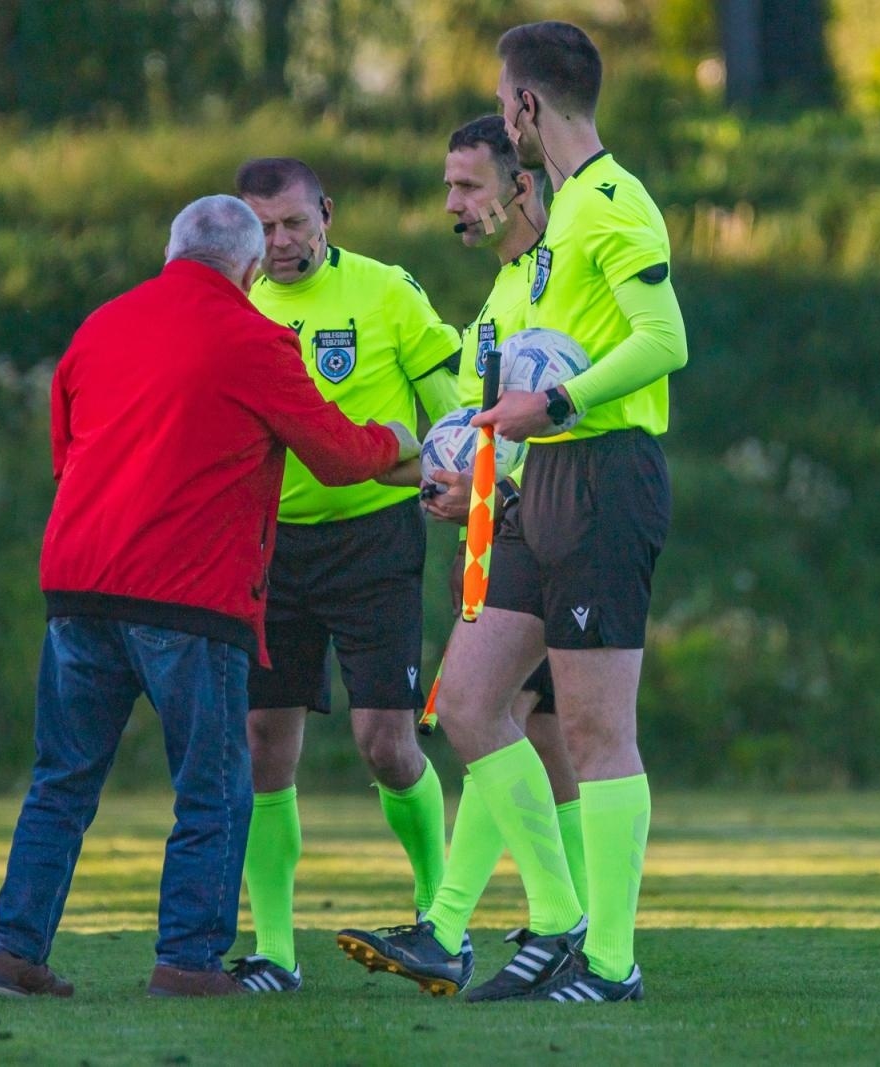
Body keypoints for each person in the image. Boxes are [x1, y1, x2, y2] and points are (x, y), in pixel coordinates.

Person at [0, 194, 416, 1000]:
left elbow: (66, 452)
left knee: (62, 779)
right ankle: (188, 960)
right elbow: (338, 455)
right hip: (189, 597)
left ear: (172, 252)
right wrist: (400, 440)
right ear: (248, 269)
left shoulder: (99, 326)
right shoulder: (254, 338)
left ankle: (9, 950)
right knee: (213, 784)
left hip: (77, 583)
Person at [332, 21, 688, 1005]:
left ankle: (609, 961)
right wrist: (471, 470)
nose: (499, 114)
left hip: (607, 475)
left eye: (501, 100)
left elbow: (666, 341)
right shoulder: (556, 225)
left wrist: (555, 405)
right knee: (470, 702)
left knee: (593, 725)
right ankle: (556, 918)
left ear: (525, 107)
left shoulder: (613, 202)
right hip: (540, 487)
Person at [338, 115, 587, 997]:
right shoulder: (504, 291)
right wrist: (463, 491)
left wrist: (503, 498)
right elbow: (497, 430)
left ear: (521, 186)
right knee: (529, 730)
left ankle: (514, 928)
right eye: (448, 186)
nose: (452, 204)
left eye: (467, 186)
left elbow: (567, 410)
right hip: (511, 530)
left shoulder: (560, 278)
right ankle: (540, 932)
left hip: (559, 528)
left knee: (493, 713)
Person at [227, 158, 463, 994]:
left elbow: (454, 414)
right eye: (261, 226)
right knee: (263, 746)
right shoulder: (232, 302)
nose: (280, 242)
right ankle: (275, 952)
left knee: (386, 743)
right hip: (268, 548)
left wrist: (457, 477)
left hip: (372, 543)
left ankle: (441, 919)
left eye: (293, 222)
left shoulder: (388, 292)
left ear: (326, 213)